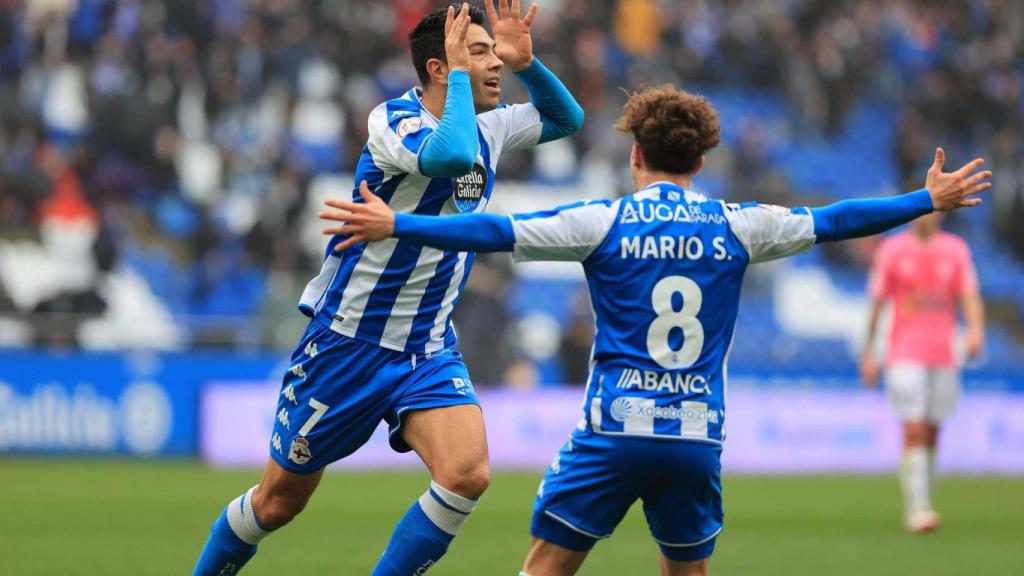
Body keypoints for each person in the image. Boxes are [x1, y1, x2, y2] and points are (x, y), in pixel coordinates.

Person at [319, 85, 991, 575]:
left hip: (611, 433)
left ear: (635, 155)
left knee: (545, 567)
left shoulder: (601, 221)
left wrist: (399, 223)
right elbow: (838, 219)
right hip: (695, 437)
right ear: (699, 163)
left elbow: (493, 231)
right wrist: (925, 200)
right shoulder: (739, 224)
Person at [191, 2, 584, 574]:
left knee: (467, 473)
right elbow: (447, 156)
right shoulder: (392, 121)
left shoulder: (491, 125)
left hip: (427, 346)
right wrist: (457, 81)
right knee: (278, 502)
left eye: (493, 53)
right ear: (438, 67)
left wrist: (530, 63)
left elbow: (567, 117)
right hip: (348, 342)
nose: (494, 64)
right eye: (479, 53)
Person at [860, 212, 985, 533]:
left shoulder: (955, 250)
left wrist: (975, 331)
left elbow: (969, 295)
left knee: (932, 430)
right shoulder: (891, 250)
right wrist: (869, 352)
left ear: (941, 212)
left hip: (943, 352)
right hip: (903, 352)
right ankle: (917, 507)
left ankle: (924, 498)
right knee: (914, 427)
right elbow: (876, 302)